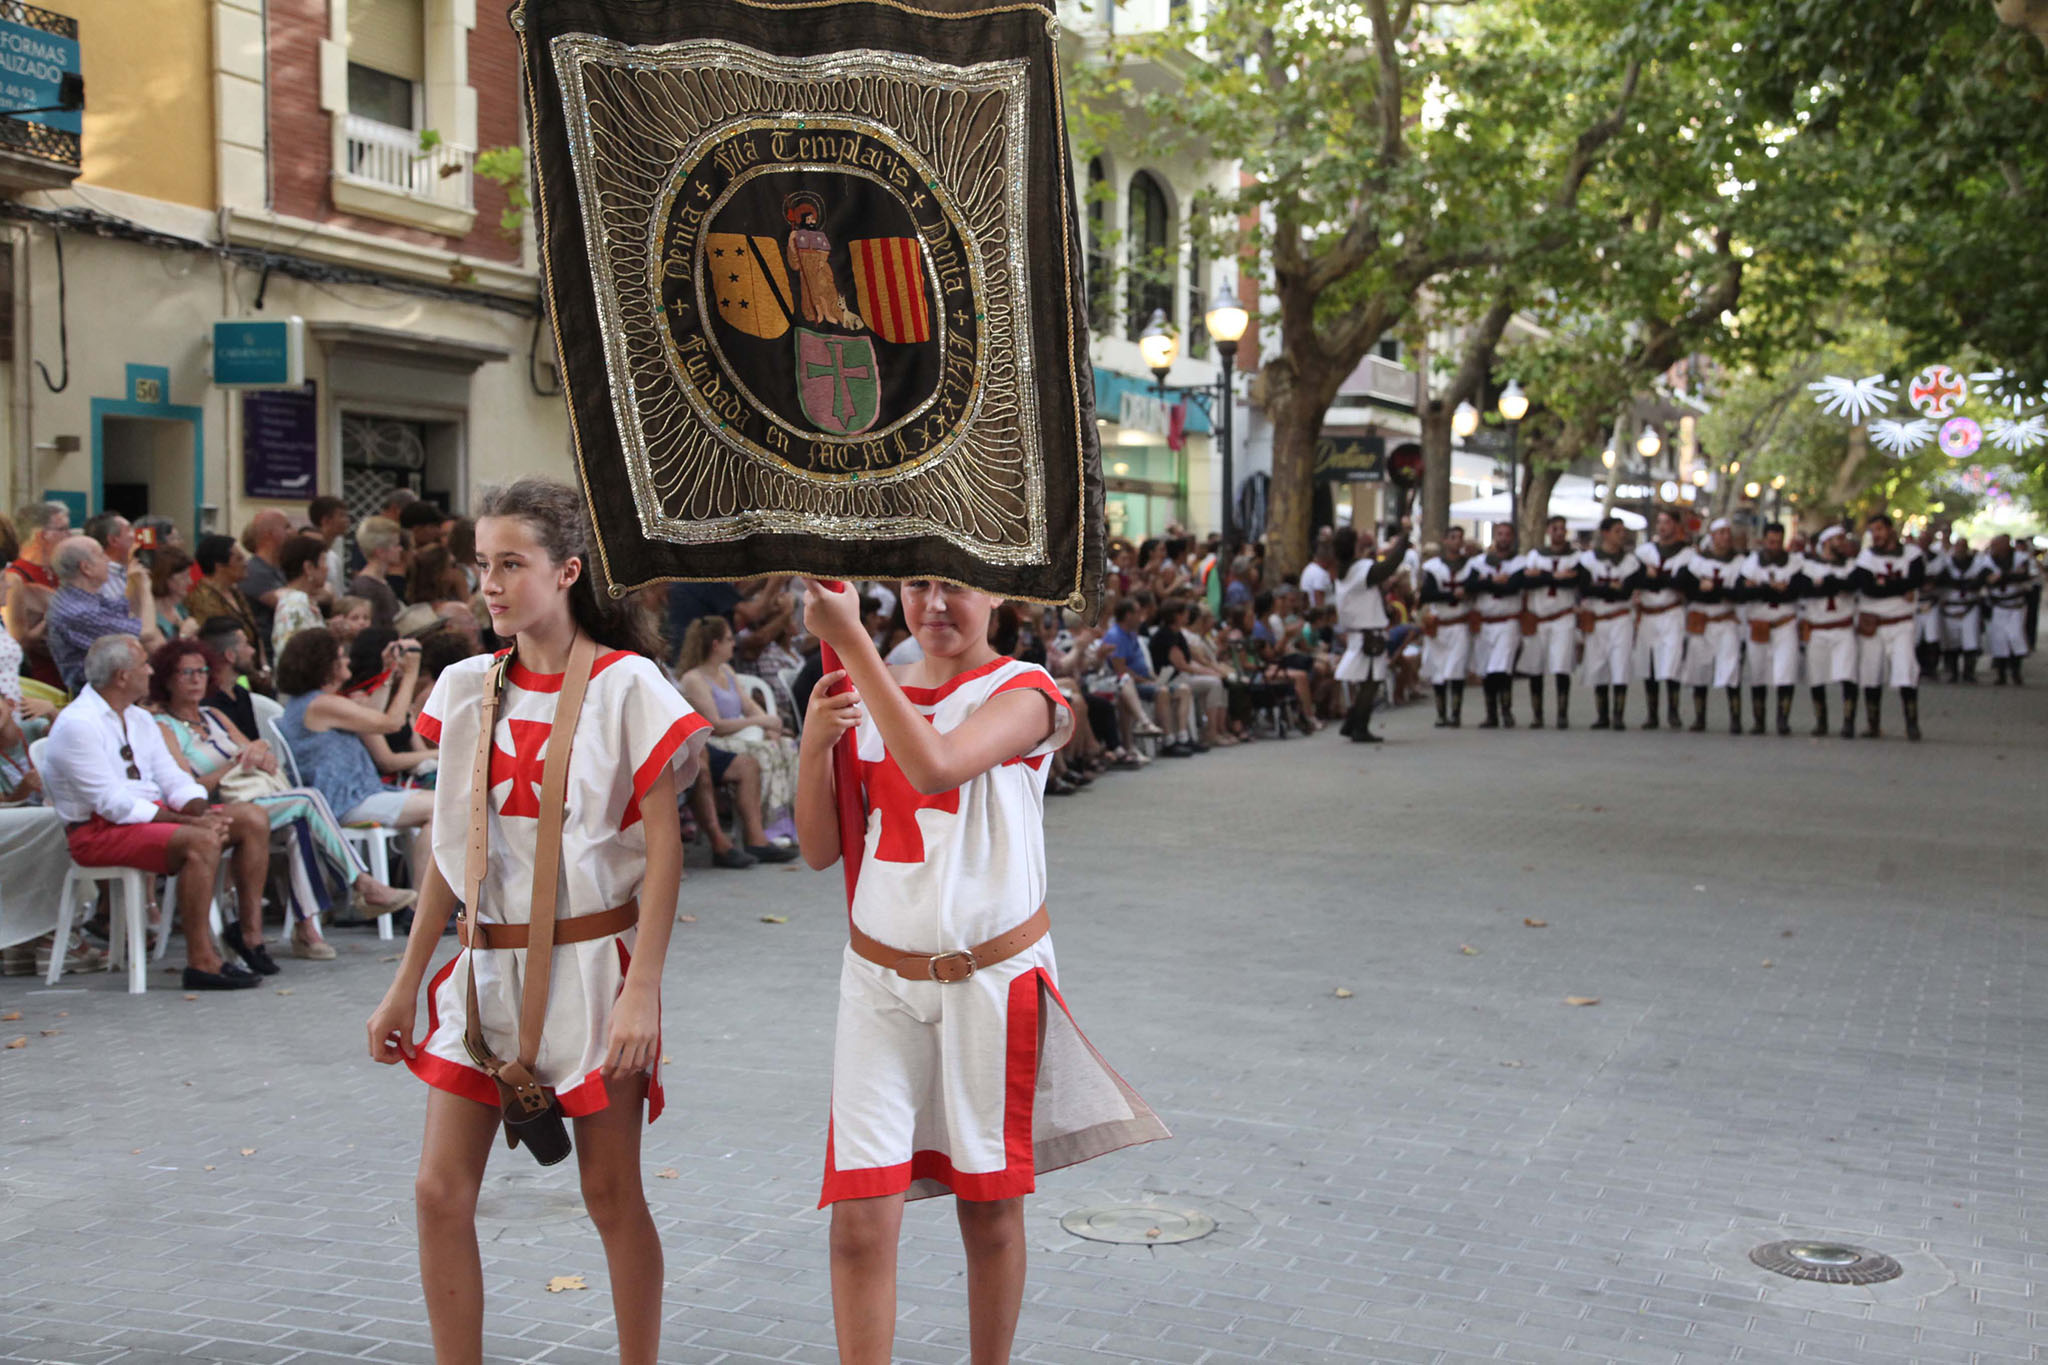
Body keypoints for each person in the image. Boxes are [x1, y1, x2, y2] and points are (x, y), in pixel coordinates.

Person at [366, 478, 707, 1365]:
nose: (491, 582)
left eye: (511, 564)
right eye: (483, 564)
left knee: (609, 1194)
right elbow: (452, 853)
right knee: (439, 1190)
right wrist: (405, 986)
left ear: (568, 571)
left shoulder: (628, 686)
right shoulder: (468, 685)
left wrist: (643, 991)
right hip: (485, 974)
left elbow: (665, 853)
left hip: (595, 973)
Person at [793, 577, 1167, 1365]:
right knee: (859, 1219)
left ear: (996, 593)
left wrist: (854, 644)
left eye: (955, 586)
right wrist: (814, 741)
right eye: (918, 584)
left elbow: (934, 766)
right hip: (877, 985)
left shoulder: (1027, 692)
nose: (934, 604)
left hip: (991, 983)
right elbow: (824, 848)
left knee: (988, 1212)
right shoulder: (866, 693)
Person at [150, 638, 417, 957]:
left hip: (257, 799)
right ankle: (362, 885)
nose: (196, 678)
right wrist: (235, 764)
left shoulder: (214, 716)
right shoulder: (163, 727)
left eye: (202, 671)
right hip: (216, 808)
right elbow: (188, 787)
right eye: (186, 673)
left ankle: (308, 931)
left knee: (298, 826)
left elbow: (257, 746)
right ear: (167, 679)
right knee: (306, 801)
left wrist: (259, 752)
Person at [38, 634, 276, 989]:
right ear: (121, 676)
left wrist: (198, 808)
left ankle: (249, 936)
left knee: (251, 818)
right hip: (96, 831)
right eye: (143, 665)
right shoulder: (78, 724)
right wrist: (192, 821)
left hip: (147, 815)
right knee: (202, 840)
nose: (150, 670)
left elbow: (173, 778)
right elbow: (113, 805)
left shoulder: (138, 718)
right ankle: (201, 961)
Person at [274, 627, 437, 869]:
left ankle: (420, 900)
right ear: (325, 665)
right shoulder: (321, 705)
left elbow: (371, 715)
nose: (348, 659)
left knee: (445, 806)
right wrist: (411, 673)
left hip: (356, 796)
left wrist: (389, 672)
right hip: (345, 802)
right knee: (445, 808)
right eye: (341, 656)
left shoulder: (314, 703)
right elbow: (391, 723)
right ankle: (422, 904)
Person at [674, 615, 802, 862]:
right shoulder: (694, 678)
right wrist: (759, 722)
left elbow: (749, 705)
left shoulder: (727, 671)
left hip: (739, 735)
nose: (734, 644)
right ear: (715, 645)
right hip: (714, 740)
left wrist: (769, 726)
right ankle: (771, 826)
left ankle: (784, 824)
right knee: (764, 752)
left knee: (785, 745)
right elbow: (715, 725)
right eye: (730, 639)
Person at [46, 535, 158, 692]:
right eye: (101, 555)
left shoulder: (85, 595)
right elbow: (146, 632)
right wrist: (146, 588)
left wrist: (135, 581)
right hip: (96, 694)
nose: (108, 560)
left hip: (112, 688)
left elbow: (126, 609)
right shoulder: (78, 611)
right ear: (86, 568)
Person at [1849, 513, 1926, 740]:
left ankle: (1911, 723)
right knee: (1871, 672)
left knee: (1906, 671)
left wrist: (1885, 583)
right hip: (1873, 623)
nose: (1877, 535)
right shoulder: (1866, 558)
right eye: (1873, 531)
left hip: (1901, 623)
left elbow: (1915, 580)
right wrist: (1899, 588)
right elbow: (1868, 588)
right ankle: (1873, 725)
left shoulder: (1912, 555)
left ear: (1891, 530)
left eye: (1880, 530)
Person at [1331, 524, 1405, 743]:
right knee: (1371, 682)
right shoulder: (1359, 569)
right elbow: (1389, 566)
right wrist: (1404, 537)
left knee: (1367, 681)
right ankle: (1359, 726)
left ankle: (1352, 723)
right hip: (1368, 634)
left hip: (1359, 632)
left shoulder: (1345, 569)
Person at [1675, 518, 1744, 734]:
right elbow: (1682, 585)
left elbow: (1742, 592)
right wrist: (1699, 587)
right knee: (1699, 668)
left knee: (1731, 666)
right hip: (1702, 621)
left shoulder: (1740, 562)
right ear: (1712, 536)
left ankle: (1735, 717)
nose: (1725, 537)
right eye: (1720, 533)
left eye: (1727, 533)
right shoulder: (1696, 562)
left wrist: (1715, 590)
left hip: (1725, 620)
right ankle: (1699, 716)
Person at [1577, 516, 1643, 731]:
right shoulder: (1588, 560)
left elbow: (1626, 591)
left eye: (1623, 531)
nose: (1621, 535)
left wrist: (1602, 587)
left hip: (1620, 617)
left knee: (1620, 662)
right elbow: (1585, 588)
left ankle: (1618, 715)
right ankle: (1602, 715)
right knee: (1598, 664)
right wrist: (1608, 588)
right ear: (1605, 533)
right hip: (1598, 618)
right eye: (1617, 530)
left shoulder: (1630, 562)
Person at [1516, 515, 1581, 729]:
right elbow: (1526, 580)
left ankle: (1562, 713)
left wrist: (1543, 576)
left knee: (1561, 665)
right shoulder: (1536, 555)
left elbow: (1576, 580)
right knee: (1536, 665)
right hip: (1538, 617)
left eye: (1562, 529)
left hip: (1562, 616)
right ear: (1547, 531)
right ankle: (1537, 714)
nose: (1559, 533)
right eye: (1555, 529)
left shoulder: (1575, 556)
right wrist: (1553, 576)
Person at [1737, 521, 1802, 736]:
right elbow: (1743, 592)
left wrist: (1762, 588)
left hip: (1784, 623)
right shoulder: (1751, 563)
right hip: (1759, 624)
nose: (1774, 545)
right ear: (1764, 540)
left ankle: (1783, 719)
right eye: (1770, 541)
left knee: (1785, 671)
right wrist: (1770, 589)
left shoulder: (1794, 563)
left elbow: (1795, 591)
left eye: (1777, 541)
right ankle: (1759, 720)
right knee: (1758, 671)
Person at [1794, 525, 1860, 736]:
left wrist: (1827, 583)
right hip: (1817, 628)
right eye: (1838, 539)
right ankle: (1821, 721)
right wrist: (1829, 586)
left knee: (1847, 674)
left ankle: (1849, 721)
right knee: (1817, 675)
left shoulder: (1851, 565)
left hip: (1843, 627)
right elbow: (1804, 589)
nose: (1842, 543)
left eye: (1843, 538)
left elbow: (1851, 585)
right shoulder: (1807, 565)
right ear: (1826, 543)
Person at [1632, 508, 1691, 730]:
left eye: (1667, 522)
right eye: (1660, 522)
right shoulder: (1645, 552)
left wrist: (1657, 577)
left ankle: (1673, 711)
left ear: (1676, 525)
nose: (1662, 526)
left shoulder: (1687, 554)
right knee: (1650, 663)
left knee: (1671, 661)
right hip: (1649, 613)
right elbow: (1638, 579)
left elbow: (1682, 582)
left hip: (1671, 612)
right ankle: (1652, 713)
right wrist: (1655, 580)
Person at [1461, 523, 1524, 729]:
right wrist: (1492, 579)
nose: (1503, 538)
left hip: (1507, 621)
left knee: (1502, 667)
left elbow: (1513, 587)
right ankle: (1491, 713)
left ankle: (1505, 710)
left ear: (1512, 537)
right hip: (1485, 622)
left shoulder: (1519, 562)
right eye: (1500, 534)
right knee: (1487, 668)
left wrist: (1486, 583)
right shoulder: (1478, 563)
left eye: (1507, 534)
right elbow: (1470, 586)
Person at [1147, 598, 1233, 747]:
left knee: (1219, 682)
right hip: (1170, 679)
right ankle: (1211, 732)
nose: (1188, 616)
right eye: (1184, 613)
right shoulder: (1165, 635)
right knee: (1214, 683)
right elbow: (1182, 665)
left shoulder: (1178, 634)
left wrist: (1211, 671)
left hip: (1182, 676)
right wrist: (1211, 673)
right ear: (1176, 615)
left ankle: (1218, 729)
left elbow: (1193, 661)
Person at [1416, 528, 1474, 728]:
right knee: (1438, 669)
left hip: (1459, 624)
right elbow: (1427, 594)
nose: (1457, 542)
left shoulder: (1470, 566)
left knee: (1457, 668)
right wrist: (1452, 595)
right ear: (1445, 540)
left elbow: (1474, 588)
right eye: (1453, 538)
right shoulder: (1433, 568)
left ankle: (1455, 714)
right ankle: (1441, 714)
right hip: (1439, 625)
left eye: (1460, 538)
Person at [187, 535, 267, 671]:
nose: (246, 563)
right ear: (219, 566)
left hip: (251, 668)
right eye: (239, 559)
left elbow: (255, 632)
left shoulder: (235, 592)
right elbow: (217, 641)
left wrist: (264, 667)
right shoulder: (203, 599)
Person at [1980, 534, 2035, 684]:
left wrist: (2001, 576)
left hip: (2016, 606)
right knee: (1999, 640)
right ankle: (2001, 674)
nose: (1994, 548)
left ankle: (2016, 672)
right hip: (1998, 606)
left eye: (1996, 545)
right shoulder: (1988, 560)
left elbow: (2023, 576)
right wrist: (2009, 576)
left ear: (2005, 545)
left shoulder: (2020, 557)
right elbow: (1987, 579)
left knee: (2016, 637)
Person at [1937, 535, 1988, 683]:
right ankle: (1952, 672)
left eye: (1963, 546)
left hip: (1969, 606)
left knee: (1971, 640)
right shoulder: (1946, 563)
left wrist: (1965, 584)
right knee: (1951, 641)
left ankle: (1969, 672)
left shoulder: (1977, 563)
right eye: (1958, 546)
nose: (1961, 549)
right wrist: (1962, 583)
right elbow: (1940, 580)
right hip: (1949, 607)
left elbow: (1980, 580)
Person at [240, 509, 294, 648]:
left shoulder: (281, 569)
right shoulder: (254, 571)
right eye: (286, 527)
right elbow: (288, 605)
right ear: (270, 534)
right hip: (266, 650)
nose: (293, 532)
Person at [271, 534, 330, 659]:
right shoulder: (296, 604)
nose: (327, 568)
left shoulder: (300, 601)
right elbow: (298, 656)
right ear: (308, 567)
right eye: (323, 560)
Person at [349, 516, 408, 628]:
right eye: (396, 545)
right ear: (380, 552)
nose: (400, 549)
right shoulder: (366, 587)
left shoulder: (379, 581)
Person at [149, 546, 198, 641]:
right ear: (165, 579)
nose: (190, 581)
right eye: (184, 577)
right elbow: (162, 653)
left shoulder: (180, 608)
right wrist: (184, 635)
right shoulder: (149, 617)